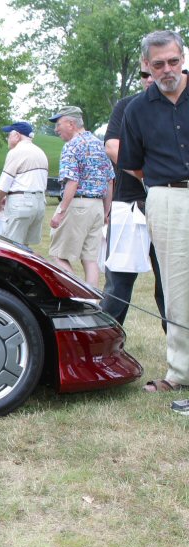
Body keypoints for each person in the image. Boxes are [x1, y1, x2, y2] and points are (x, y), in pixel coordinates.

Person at [120, 29, 189, 398]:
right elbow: (133, 165)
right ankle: (180, 371)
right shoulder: (136, 109)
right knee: (177, 287)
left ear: (183, 57)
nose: (168, 70)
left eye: (174, 61)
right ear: (146, 65)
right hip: (167, 198)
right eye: (159, 64)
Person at [101, 69, 165, 329]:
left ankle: (180, 356)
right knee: (118, 285)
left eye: (157, 70)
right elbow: (113, 146)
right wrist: (151, 175)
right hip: (130, 205)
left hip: (171, 208)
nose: (150, 77)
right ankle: (103, 351)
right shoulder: (127, 106)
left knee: (173, 286)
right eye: (145, 72)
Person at [47, 105, 113, 289]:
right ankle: (92, 302)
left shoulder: (71, 146)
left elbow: (72, 182)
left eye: (58, 124)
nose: (56, 129)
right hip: (98, 207)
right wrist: (106, 211)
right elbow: (110, 181)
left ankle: (80, 294)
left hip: (78, 205)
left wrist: (60, 211)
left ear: (71, 123)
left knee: (58, 256)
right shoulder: (100, 145)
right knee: (90, 259)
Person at [0, 121, 48, 246]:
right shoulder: (40, 152)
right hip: (39, 204)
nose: (7, 138)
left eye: (9, 135)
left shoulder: (16, 152)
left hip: (21, 204)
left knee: (12, 247)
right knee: (25, 249)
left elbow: (4, 185)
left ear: (17, 135)